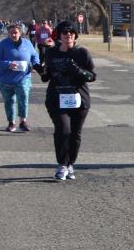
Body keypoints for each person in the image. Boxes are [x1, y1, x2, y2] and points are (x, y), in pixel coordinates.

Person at [37, 21, 96, 180]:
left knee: (75, 134)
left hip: (79, 99)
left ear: (75, 35)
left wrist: (78, 71)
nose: (68, 35)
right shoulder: (51, 53)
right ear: (59, 35)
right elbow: (47, 77)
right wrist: (41, 71)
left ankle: (70, 164)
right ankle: (62, 165)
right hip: (56, 98)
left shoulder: (82, 53)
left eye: (71, 32)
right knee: (63, 130)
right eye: (64, 32)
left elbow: (92, 76)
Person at [0, 22, 40, 132]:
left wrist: (35, 64)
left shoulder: (27, 43)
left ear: (20, 33)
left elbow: (34, 55)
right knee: (9, 101)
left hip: (23, 77)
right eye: (11, 33)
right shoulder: (2, 44)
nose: (13, 35)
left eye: (16, 32)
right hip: (5, 79)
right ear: (8, 33)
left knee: (23, 98)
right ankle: (11, 123)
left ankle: (23, 121)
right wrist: (8, 64)